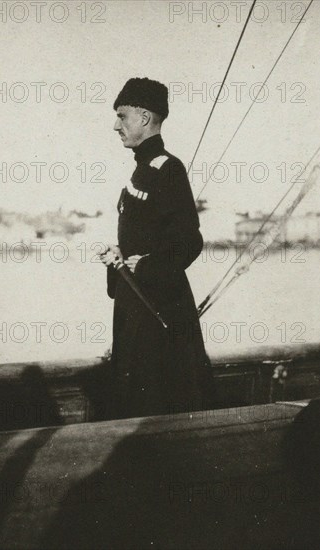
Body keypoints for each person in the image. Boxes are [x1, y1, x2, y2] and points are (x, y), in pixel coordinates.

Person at [101, 77, 215, 419]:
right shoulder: (140, 171)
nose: (115, 125)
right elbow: (144, 240)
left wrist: (146, 267)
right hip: (136, 310)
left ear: (145, 118)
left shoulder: (167, 169)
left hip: (159, 313)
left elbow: (189, 242)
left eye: (122, 116)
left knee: (157, 409)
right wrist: (119, 259)